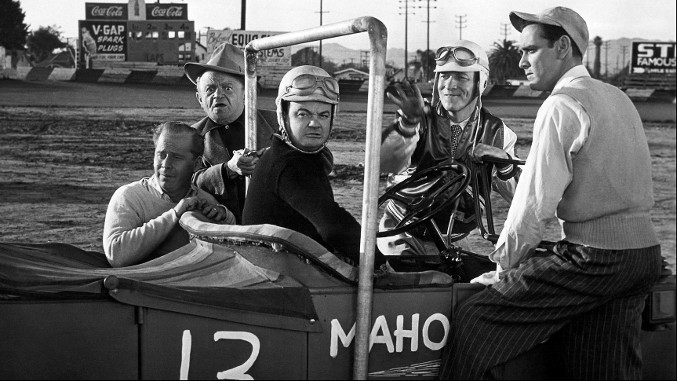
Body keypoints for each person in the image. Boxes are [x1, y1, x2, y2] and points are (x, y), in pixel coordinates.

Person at [439, 7, 662, 380]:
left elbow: (534, 204)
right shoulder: (618, 98)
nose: (521, 61)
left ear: (562, 47)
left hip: (596, 258)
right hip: (643, 257)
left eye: (530, 50)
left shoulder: (562, 104)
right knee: (597, 362)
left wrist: (503, 269)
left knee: (475, 317)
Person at [378, 40, 520, 256]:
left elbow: (523, 199)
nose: (449, 85)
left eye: (461, 77)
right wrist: (407, 125)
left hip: (454, 242)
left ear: (481, 83)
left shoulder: (499, 132)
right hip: (400, 234)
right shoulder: (417, 118)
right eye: (444, 76)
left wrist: (505, 166)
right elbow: (385, 162)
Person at [242, 65, 385, 267]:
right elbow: (333, 227)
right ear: (283, 116)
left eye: (323, 115)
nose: (314, 123)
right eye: (303, 114)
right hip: (283, 277)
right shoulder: (290, 163)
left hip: (282, 267)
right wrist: (381, 264)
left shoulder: (284, 154)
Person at [103, 122, 236, 268]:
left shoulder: (205, 202)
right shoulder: (129, 197)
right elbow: (116, 255)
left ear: (196, 164)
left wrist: (225, 218)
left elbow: (229, 255)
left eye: (176, 157)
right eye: (161, 155)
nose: (165, 164)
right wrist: (175, 214)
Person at [184, 42, 278, 223]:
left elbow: (321, 159)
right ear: (200, 98)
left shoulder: (278, 123)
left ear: (246, 93)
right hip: (221, 231)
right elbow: (185, 184)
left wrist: (275, 158)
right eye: (210, 89)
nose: (218, 95)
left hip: (275, 229)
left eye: (227, 88)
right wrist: (228, 170)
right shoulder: (190, 136)